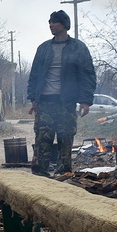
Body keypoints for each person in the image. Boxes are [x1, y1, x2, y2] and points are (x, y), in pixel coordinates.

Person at [27, 9, 96, 177]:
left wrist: (85, 101)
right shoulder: (43, 48)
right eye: (49, 22)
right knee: (43, 138)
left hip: (66, 102)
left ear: (64, 25)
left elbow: (87, 75)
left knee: (65, 139)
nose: (50, 25)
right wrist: (33, 98)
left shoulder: (78, 48)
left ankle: (64, 174)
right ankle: (40, 173)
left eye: (54, 22)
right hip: (44, 102)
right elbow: (34, 74)